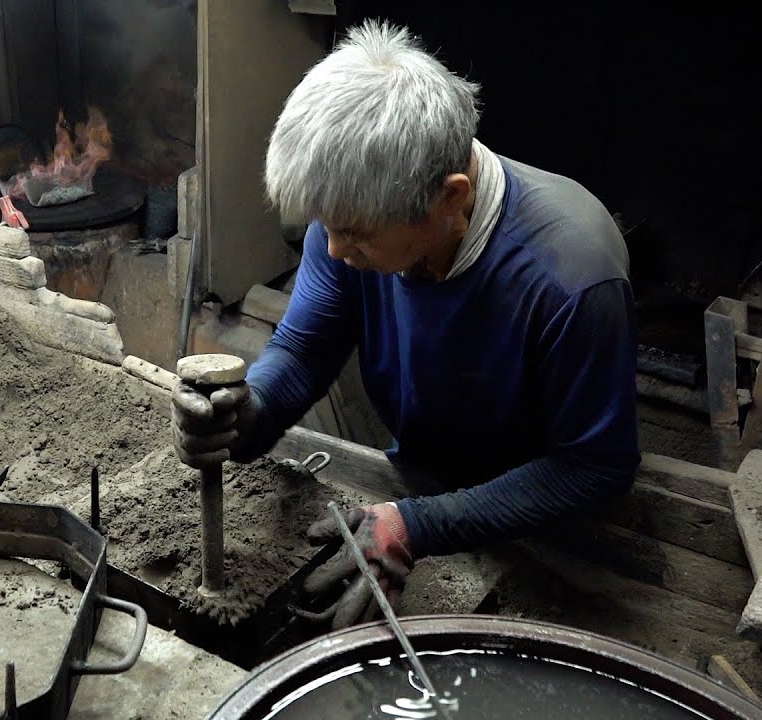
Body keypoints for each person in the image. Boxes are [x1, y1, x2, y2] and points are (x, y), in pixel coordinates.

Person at [171, 20, 640, 629]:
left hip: (546, 520)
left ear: (450, 199)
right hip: (418, 477)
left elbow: (594, 467)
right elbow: (307, 347)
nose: (334, 251)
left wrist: (418, 525)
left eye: (356, 235)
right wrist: (248, 412)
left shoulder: (572, 277)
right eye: (326, 225)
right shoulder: (356, 216)